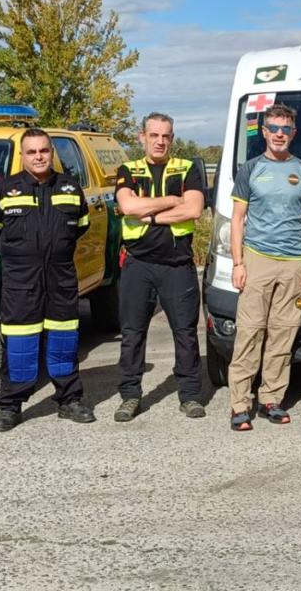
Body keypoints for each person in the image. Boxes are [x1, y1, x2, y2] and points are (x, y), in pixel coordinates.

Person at [0, 128, 94, 432]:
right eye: (32, 152)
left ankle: (69, 401)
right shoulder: (3, 190)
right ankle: (10, 406)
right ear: (22, 155)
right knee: (20, 344)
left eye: (44, 151)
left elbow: (81, 225)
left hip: (61, 278)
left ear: (52, 153)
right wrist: (19, 253)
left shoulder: (70, 187)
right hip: (21, 281)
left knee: (64, 342)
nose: (39, 157)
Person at [228, 103, 301, 431]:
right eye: (274, 129)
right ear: (264, 132)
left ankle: (271, 399)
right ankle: (240, 404)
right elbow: (237, 220)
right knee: (250, 333)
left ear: (293, 133)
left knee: (282, 336)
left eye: (286, 129)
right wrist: (238, 263)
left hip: (294, 263)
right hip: (257, 259)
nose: (280, 135)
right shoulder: (250, 169)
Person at [113, 113, 207, 422]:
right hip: (138, 263)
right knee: (132, 333)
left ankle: (190, 395)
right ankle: (130, 395)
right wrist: (170, 200)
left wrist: (151, 214)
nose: (160, 141)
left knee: (186, 333)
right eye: (154, 135)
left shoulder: (187, 168)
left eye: (166, 135)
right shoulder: (128, 170)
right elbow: (128, 207)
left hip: (177, 264)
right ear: (142, 137)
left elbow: (193, 209)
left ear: (172, 138)